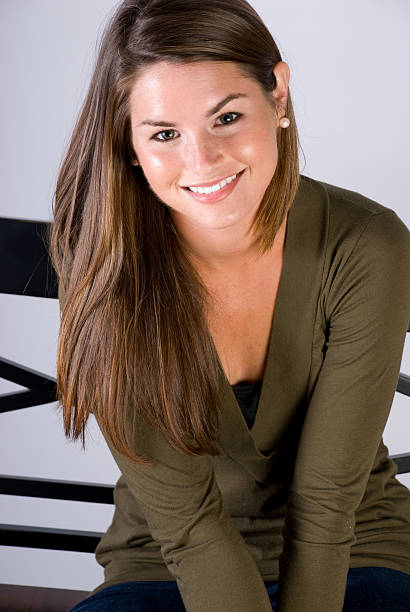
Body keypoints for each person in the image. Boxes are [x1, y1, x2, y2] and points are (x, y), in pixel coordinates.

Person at [49, 0, 410, 610]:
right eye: (165, 133)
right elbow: (190, 529)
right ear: (130, 145)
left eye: (227, 117)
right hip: (162, 557)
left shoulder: (367, 244)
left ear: (279, 94)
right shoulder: (107, 265)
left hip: (357, 549)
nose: (202, 161)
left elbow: (326, 505)